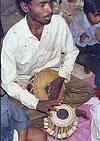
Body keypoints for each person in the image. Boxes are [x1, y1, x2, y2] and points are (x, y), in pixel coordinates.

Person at [1, 0, 93, 130]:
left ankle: (55, 111)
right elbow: (7, 83)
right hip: (26, 82)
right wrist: (36, 103)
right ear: (25, 7)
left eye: (50, 2)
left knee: (87, 91)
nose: (50, 9)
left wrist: (61, 77)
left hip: (54, 74)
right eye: (42, 4)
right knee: (15, 117)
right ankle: (64, 110)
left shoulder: (58, 23)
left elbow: (71, 51)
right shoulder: (12, 39)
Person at [69, 0, 100, 99]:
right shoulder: (78, 20)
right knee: (81, 58)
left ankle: (91, 63)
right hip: (79, 47)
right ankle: (91, 64)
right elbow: (72, 40)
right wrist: (81, 37)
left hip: (93, 43)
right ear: (87, 12)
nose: (98, 18)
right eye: (95, 15)